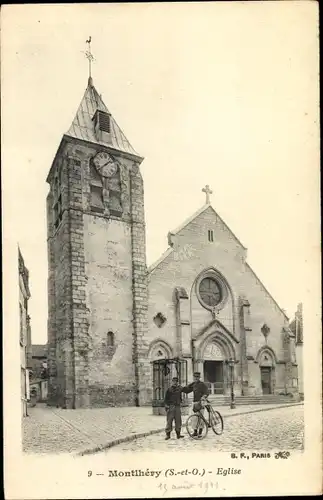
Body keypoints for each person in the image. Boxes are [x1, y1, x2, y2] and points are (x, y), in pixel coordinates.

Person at [182, 372, 209, 437]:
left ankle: (200, 432)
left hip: (201, 403)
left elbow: (207, 392)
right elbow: (187, 390)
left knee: (200, 417)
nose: (196, 378)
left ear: (199, 378)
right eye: (195, 377)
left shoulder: (202, 384)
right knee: (194, 418)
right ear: (193, 377)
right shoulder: (193, 384)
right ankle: (195, 432)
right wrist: (181, 388)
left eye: (197, 377)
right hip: (195, 402)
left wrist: (204, 396)